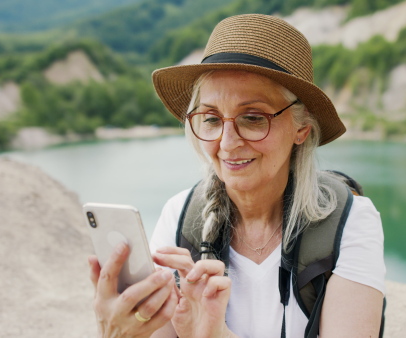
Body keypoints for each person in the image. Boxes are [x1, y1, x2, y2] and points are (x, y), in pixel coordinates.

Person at [88, 14, 386, 338]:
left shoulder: (350, 223)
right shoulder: (180, 217)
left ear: (302, 129)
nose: (227, 143)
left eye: (253, 118)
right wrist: (119, 332)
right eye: (212, 119)